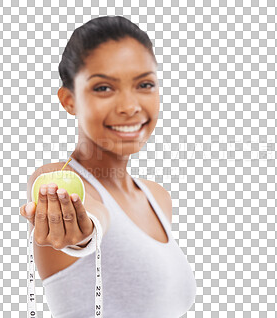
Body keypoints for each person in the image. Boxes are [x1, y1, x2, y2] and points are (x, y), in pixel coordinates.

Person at [19, 15, 197, 318]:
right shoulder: (56, 180)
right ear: (69, 100)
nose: (129, 106)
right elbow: (91, 219)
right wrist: (83, 234)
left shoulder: (158, 197)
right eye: (103, 88)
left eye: (144, 84)